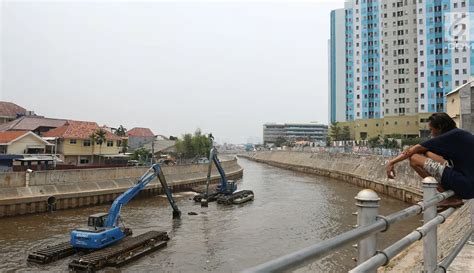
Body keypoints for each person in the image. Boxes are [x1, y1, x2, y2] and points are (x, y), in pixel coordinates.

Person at [386, 113, 474, 208]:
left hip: (467, 186)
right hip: (468, 183)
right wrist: (419, 150)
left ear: (439, 127)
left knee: (414, 158)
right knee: (426, 152)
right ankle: (452, 196)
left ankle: (452, 198)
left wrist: (392, 162)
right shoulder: (459, 134)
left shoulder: (450, 136)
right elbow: (425, 150)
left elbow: (415, 150)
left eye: (431, 129)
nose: (431, 133)